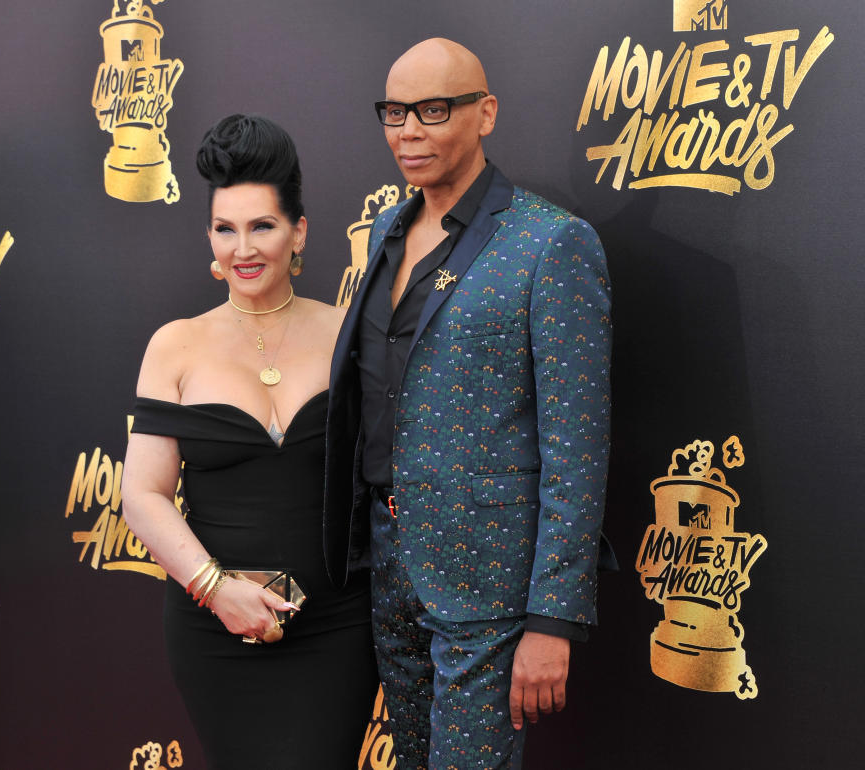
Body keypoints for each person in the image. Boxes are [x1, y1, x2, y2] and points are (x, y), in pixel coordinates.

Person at [324, 39, 615, 769]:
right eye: (394, 113)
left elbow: (578, 446)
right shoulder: (389, 234)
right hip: (389, 566)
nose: (408, 132)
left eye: (432, 110)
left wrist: (553, 618)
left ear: (484, 113)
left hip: (490, 586)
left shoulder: (551, 244)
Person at [121, 114, 378, 770]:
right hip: (214, 629)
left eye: (262, 226)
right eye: (225, 229)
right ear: (208, 237)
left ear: (299, 233)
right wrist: (216, 589)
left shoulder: (347, 334)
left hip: (336, 627)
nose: (244, 248)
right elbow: (144, 495)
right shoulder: (175, 346)